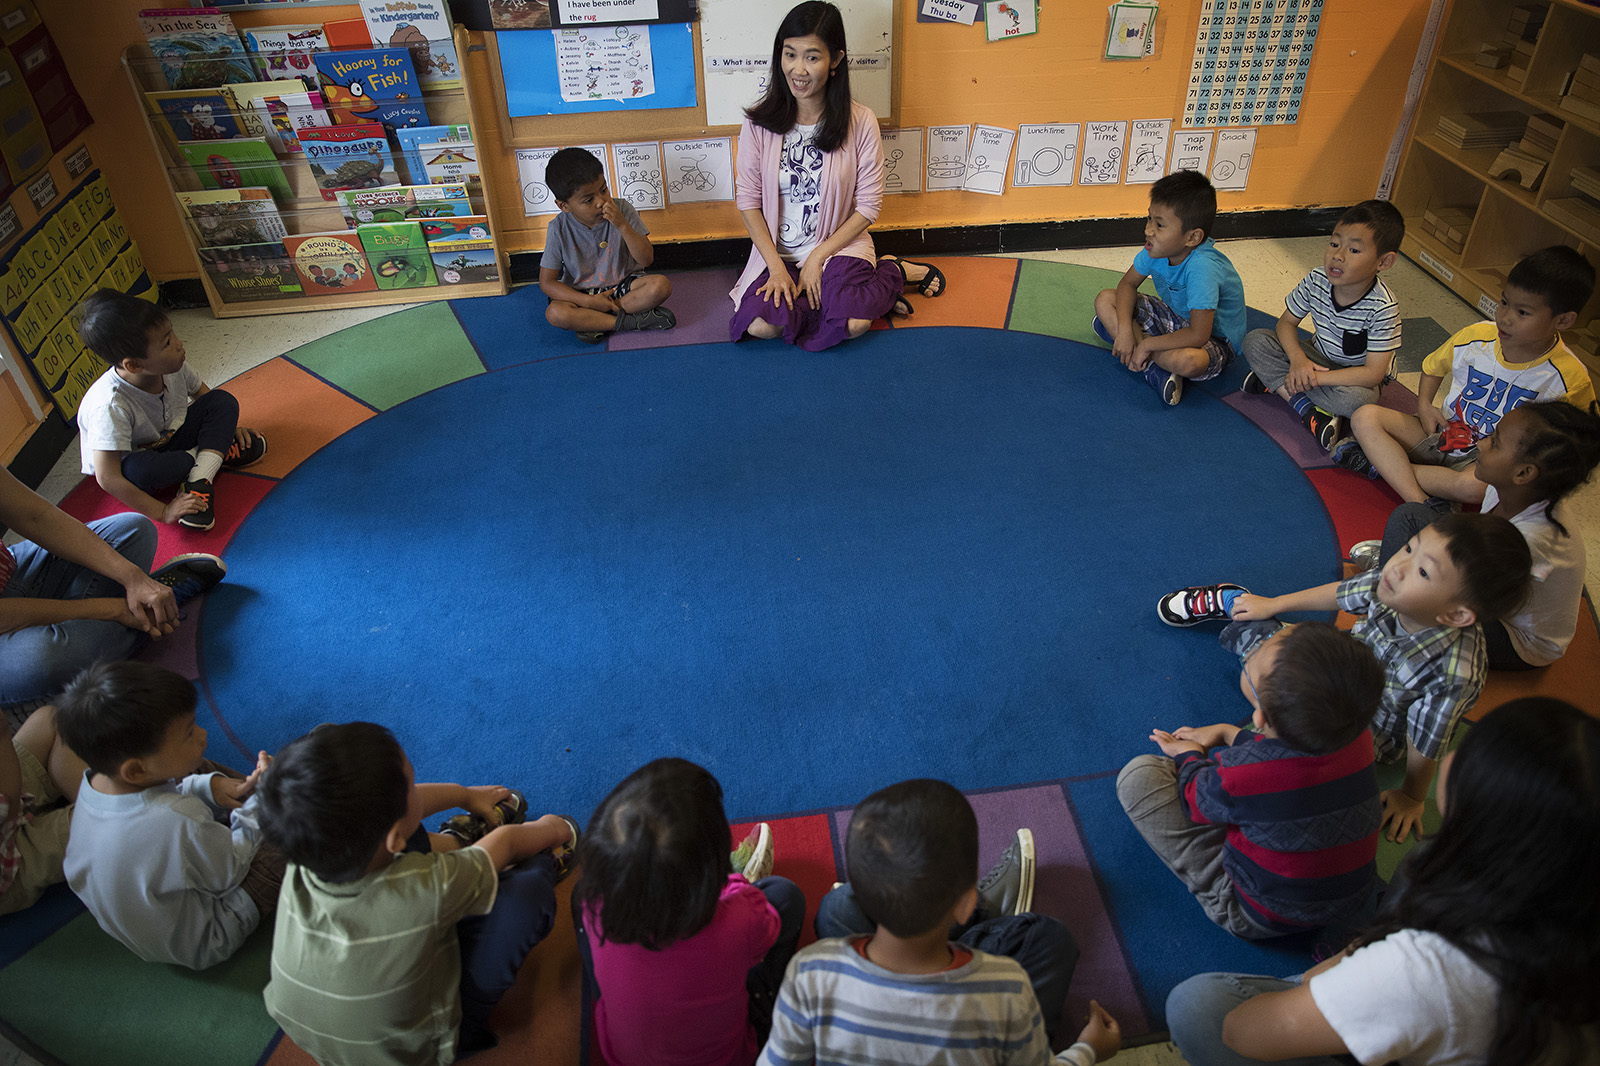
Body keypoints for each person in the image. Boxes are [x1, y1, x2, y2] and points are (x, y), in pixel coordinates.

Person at [1165, 696, 1600, 1066]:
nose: (1452, 753)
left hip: (1386, 984)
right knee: (1422, 859)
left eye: (1469, 752)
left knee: (1199, 1008)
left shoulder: (1431, 969)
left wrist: (1336, 977)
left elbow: (1245, 1032)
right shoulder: (1560, 898)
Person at [1156, 512, 1531, 845]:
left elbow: (1427, 740)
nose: (1397, 566)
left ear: (1457, 615)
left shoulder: (1454, 673)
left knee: (1259, 679)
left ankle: (1242, 616)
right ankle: (1249, 610)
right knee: (1276, 662)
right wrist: (1274, 602)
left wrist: (1413, 796)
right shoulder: (1392, 587)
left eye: (1423, 571)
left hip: (1360, 733)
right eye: (1409, 549)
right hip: (1343, 668)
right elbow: (1343, 593)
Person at [257, 722, 576, 1062]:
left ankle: (455, 842)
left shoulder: (308, 850)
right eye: (411, 782)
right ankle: (464, 1031)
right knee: (527, 890)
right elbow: (509, 842)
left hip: (324, 1032)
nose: (416, 786)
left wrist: (467, 795)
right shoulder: (423, 888)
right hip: (416, 1050)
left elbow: (396, 819)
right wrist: (552, 827)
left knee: (382, 833)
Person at [759, 778, 1119, 1066]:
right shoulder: (1007, 987)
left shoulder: (810, 971)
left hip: (866, 958)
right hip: (976, 986)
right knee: (1048, 936)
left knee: (836, 906)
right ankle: (983, 916)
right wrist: (1088, 1050)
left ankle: (952, 913)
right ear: (966, 902)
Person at [1118, 623, 1384, 939]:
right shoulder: (1360, 737)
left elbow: (1196, 797)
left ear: (1259, 717)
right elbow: (1294, 762)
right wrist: (1229, 733)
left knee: (1137, 778)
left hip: (1260, 913)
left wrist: (1188, 755)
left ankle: (1221, 895)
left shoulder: (1247, 773)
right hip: (1352, 898)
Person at [729, 1, 946, 352]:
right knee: (760, 326)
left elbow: (869, 207)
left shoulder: (860, 121)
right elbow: (749, 202)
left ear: (836, 61)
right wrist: (777, 268)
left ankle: (893, 272)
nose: (798, 69)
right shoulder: (759, 123)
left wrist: (817, 257)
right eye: (790, 54)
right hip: (780, 253)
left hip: (838, 245)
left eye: (812, 57)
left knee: (853, 323)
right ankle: (847, 294)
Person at [572, 758, 804, 1066]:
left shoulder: (592, 900)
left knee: (580, 897)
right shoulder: (741, 919)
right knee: (786, 896)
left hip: (622, 1057)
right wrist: (736, 886)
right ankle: (773, 999)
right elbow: (767, 925)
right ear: (713, 866)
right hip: (732, 1057)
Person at [1331, 245, 1597, 505]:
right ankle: (1420, 498)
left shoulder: (1569, 378)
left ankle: (1382, 465)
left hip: (1488, 464)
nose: (1505, 317)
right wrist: (1424, 405)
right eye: (1504, 302)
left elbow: (1577, 446)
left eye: (1522, 312)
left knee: (1473, 489)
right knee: (1365, 416)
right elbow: (1432, 367)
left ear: (1563, 321)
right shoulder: (1476, 335)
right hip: (1443, 433)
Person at [55, 661, 278, 970]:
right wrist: (267, 800)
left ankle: (245, 794)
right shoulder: (178, 820)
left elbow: (159, 804)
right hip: (211, 933)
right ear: (135, 770)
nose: (202, 734)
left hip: (151, 920)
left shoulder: (95, 782)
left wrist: (207, 787)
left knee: (198, 769)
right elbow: (233, 868)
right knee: (289, 822)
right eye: (188, 733)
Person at [1349, 400, 1600, 670]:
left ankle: (1386, 621)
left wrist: (1418, 585)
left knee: (1418, 609)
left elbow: (1474, 600)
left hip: (1512, 633)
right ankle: (1394, 590)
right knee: (1410, 515)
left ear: (1524, 473)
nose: (1481, 443)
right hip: (1482, 573)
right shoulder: (1507, 486)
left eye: (1495, 442)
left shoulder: (1533, 539)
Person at [0, 464, 224, 715]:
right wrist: (110, 609)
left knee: (135, 530)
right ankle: (149, 614)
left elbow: (37, 517)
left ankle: (138, 610)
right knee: (53, 659)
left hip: (15, 568)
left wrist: (133, 577)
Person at [75, 289, 267, 534]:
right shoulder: (110, 405)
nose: (178, 343)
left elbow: (206, 398)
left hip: (173, 438)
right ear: (134, 365)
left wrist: (229, 428)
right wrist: (163, 511)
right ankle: (211, 455)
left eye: (172, 332)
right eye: (166, 342)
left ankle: (200, 477)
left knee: (223, 400)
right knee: (142, 471)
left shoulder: (173, 365)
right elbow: (108, 478)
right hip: (140, 462)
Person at [1239, 200, 1405, 449]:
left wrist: (1312, 378)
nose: (1337, 256)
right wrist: (1298, 361)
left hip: (1355, 376)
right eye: (1334, 244)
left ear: (1384, 262)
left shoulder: (1382, 307)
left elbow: (1373, 373)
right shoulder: (1316, 279)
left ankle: (1280, 385)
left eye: (1354, 251)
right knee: (1255, 341)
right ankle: (1308, 409)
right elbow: (1286, 323)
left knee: (1359, 402)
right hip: (1315, 356)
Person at [1091, 169, 1247, 406]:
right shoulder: (1155, 249)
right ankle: (1150, 364)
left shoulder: (1202, 267)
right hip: (1175, 317)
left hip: (1215, 340)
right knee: (1105, 299)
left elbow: (1198, 334)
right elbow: (1127, 284)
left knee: (1188, 362)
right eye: (1149, 218)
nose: (1148, 230)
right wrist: (1124, 330)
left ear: (1192, 238)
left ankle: (1141, 357)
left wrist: (1145, 344)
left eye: (1160, 225)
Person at [538, 146, 676, 344]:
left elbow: (647, 259)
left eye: (604, 189)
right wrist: (588, 302)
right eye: (588, 200)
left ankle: (594, 322)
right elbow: (547, 283)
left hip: (622, 286)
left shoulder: (623, 210)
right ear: (564, 206)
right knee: (556, 313)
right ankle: (626, 322)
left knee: (660, 286)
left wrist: (622, 225)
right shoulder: (558, 228)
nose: (602, 201)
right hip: (581, 295)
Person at [0, 704, 86, 915]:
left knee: (50, 720)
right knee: (104, 823)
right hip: (10, 862)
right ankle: (116, 816)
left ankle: (105, 802)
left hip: (11, 799)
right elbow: (7, 810)